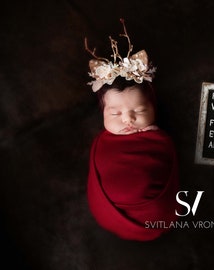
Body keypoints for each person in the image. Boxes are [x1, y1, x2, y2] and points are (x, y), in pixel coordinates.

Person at [86, 20, 179, 241]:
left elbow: (166, 165)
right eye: (115, 114)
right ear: (103, 113)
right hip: (108, 211)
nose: (129, 119)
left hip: (156, 211)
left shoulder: (160, 140)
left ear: (153, 107)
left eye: (140, 109)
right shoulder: (102, 143)